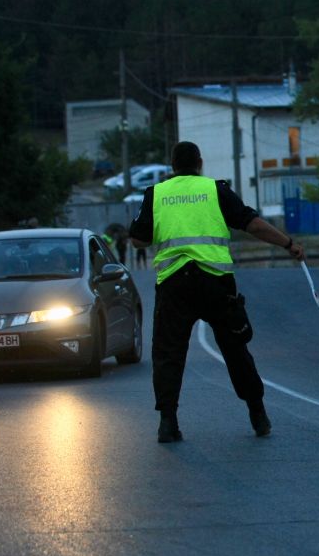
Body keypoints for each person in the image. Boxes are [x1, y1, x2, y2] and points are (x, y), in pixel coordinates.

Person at [129, 141, 305, 443]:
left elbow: (137, 241)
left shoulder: (156, 194)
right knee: (236, 349)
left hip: (174, 285)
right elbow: (253, 225)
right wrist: (288, 244)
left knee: (168, 354)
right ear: (200, 163)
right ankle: (258, 414)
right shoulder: (216, 190)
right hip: (216, 284)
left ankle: (168, 423)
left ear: (172, 166)